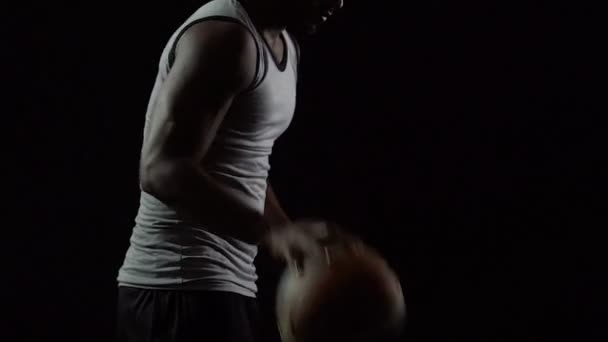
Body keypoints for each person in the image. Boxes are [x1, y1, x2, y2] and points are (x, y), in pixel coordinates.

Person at [116, 0, 345, 341]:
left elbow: (239, 162)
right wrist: (271, 233)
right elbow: (160, 169)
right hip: (178, 287)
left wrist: (289, 232)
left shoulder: (284, 44)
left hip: (224, 285)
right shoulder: (225, 36)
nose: (337, 2)